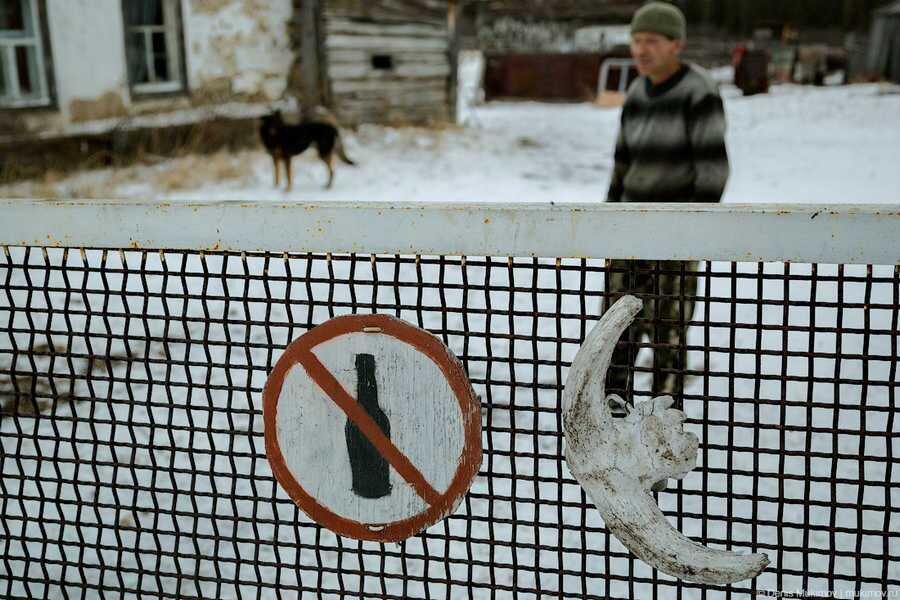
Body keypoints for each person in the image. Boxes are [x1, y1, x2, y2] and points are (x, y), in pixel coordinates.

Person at [605, 2, 730, 403]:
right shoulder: (637, 92)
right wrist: (606, 223)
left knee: (667, 332)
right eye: (636, 41)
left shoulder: (700, 92)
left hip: (674, 237)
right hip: (628, 234)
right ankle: (613, 411)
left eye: (652, 41)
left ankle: (664, 417)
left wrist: (688, 232)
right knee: (614, 330)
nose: (641, 50)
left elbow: (713, 172)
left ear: (676, 44)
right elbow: (621, 165)